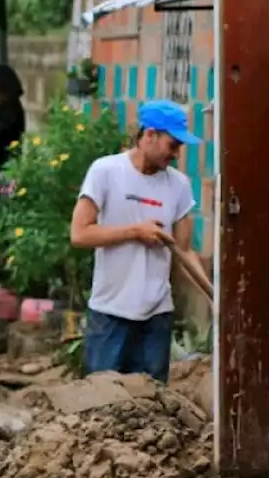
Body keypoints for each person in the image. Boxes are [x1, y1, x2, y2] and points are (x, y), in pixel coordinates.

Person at [70, 100, 203, 383]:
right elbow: (80, 233)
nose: (176, 154)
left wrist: (213, 294)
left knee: (152, 409)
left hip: (156, 316)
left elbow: (185, 251)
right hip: (110, 313)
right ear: (150, 135)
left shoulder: (178, 185)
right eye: (173, 144)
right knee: (101, 402)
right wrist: (134, 232)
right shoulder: (105, 171)